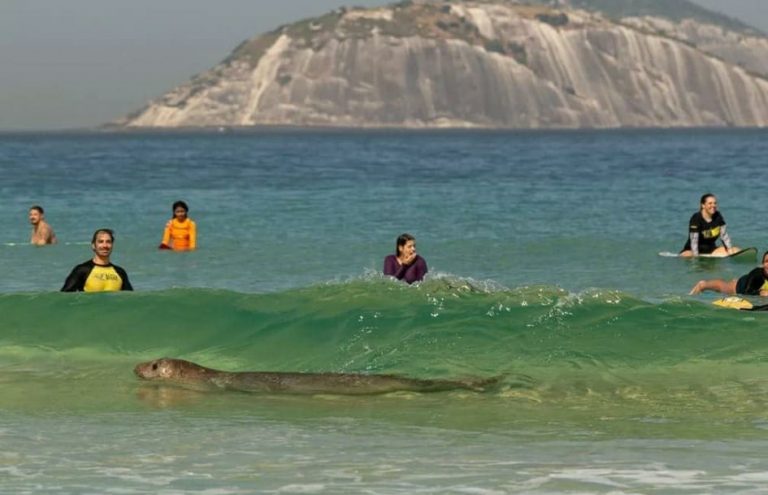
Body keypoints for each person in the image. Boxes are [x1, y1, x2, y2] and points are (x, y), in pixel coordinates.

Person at [61, 228, 133, 292]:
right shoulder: (82, 270)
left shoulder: (120, 272)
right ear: (93, 245)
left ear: (112, 245)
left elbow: (130, 299)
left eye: (108, 242)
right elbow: (64, 297)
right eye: (101, 242)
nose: (105, 245)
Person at [690, 250, 768, 296]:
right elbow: (746, 292)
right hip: (736, 287)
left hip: (745, 281)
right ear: (762, 264)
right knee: (720, 286)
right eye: (766, 261)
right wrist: (760, 292)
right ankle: (702, 284)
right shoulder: (757, 274)